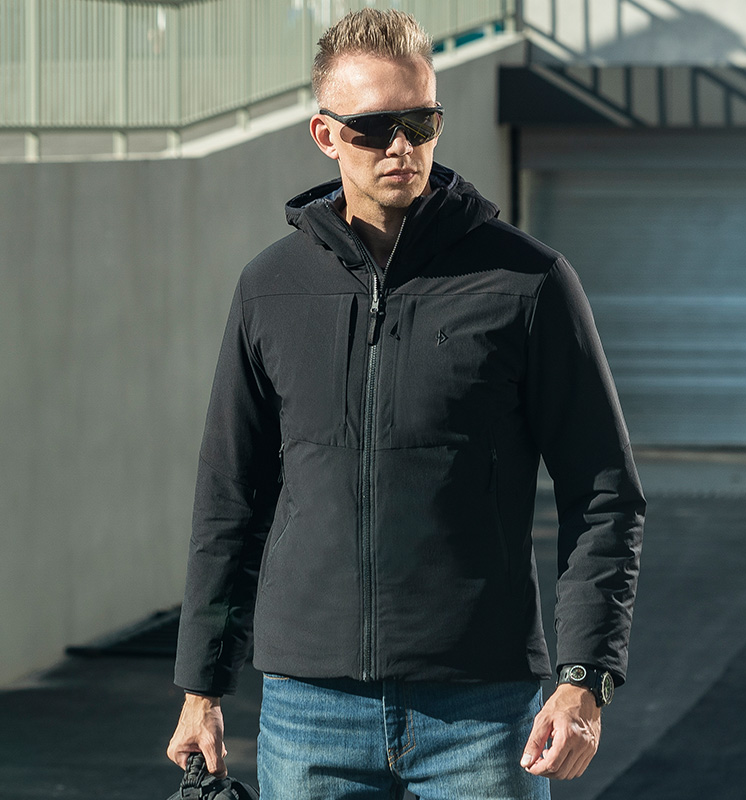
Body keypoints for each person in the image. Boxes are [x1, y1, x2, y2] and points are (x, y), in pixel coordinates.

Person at [167, 9, 645, 799]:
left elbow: (604, 495)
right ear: (326, 135)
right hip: (309, 711)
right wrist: (200, 688)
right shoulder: (270, 288)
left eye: (420, 123)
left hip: (485, 712)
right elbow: (229, 498)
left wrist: (585, 678)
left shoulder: (526, 282)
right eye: (373, 128)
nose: (401, 147)